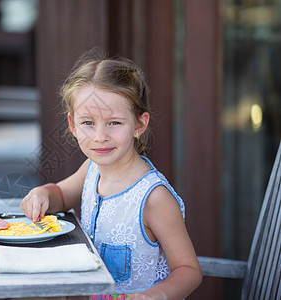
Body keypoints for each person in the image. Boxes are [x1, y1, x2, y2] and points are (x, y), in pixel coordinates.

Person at [20, 50, 203, 299]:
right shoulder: (92, 169)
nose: (100, 136)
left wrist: (156, 296)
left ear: (139, 125)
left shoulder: (153, 198)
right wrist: (43, 193)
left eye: (114, 123)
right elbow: (61, 195)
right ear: (72, 124)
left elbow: (188, 269)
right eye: (88, 123)